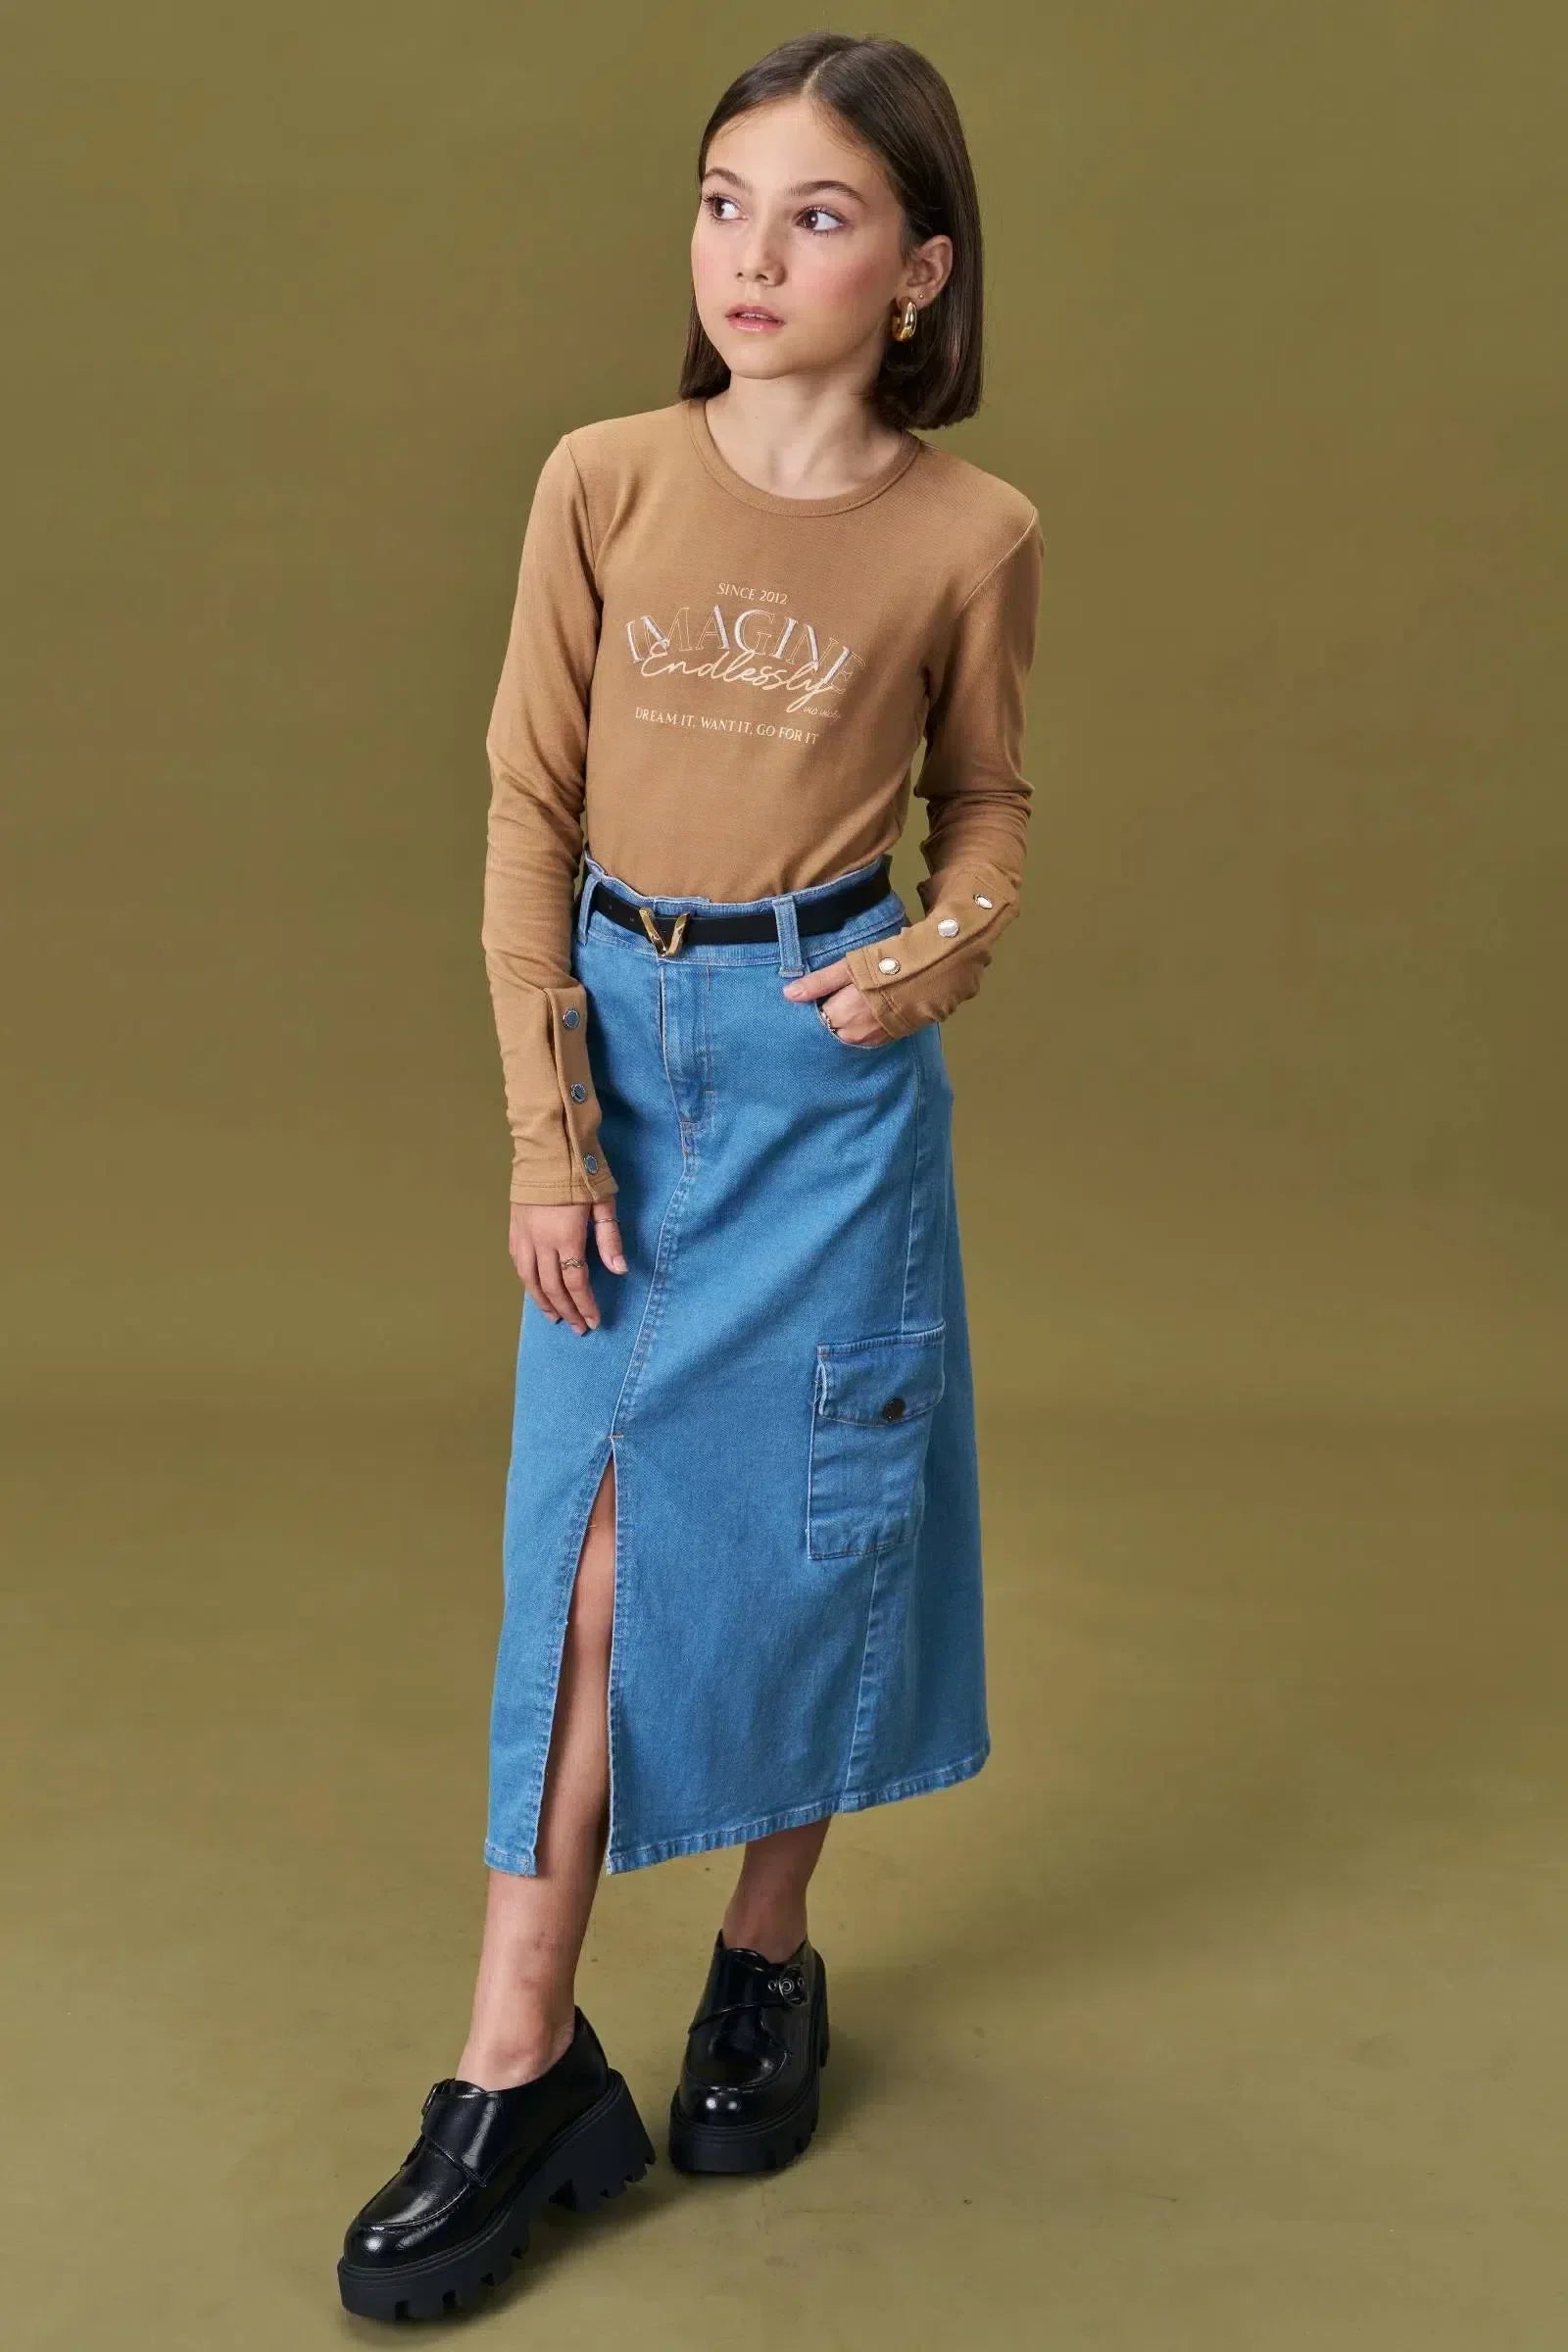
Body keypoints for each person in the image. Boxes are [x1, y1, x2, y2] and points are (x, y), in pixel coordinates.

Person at [338, 29, 1045, 2323]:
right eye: (725, 202)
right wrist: (546, 1132)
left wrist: (922, 965)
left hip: (820, 1078)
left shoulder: (970, 535)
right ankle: (515, 2063)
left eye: (818, 216)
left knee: (822, 1522)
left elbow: (985, 812)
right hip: (620, 1062)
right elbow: (524, 812)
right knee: (587, 1564)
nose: (754, 255)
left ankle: (764, 1955)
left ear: (916, 272)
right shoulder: (604, 479)